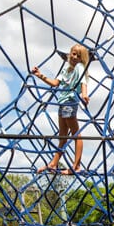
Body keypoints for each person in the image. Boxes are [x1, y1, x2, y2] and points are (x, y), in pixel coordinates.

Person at [32, 43, 90, 174]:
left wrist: (85, 95)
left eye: (78, 55)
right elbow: (55, 83)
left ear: (82, 59)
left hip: (70, 102)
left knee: (76, 135)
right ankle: (53, 164)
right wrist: (39, 74)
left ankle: (76, 166)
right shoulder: (66, 69)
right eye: (73, 53)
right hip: (62, 103)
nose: (75, 57)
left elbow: (83, 82)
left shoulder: (80, 67)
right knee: (62, 137)